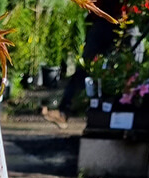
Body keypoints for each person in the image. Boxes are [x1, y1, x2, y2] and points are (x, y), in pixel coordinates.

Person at [42, 0, 122, 128]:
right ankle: (65, 111)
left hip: (114, 22)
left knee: (96, 68)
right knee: (89, 68)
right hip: (107, 21)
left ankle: (66, 111)